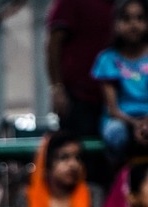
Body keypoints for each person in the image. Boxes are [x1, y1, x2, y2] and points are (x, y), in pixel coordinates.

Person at [91, 0, 148, 163]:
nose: (133, 25)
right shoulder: (107, 59)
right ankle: (120, 183)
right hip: (119, 118)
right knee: (115, 135)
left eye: (140, 18)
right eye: (126, 19)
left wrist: (146, 122)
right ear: (116, 23)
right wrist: (135, 125)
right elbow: (112, 109)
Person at [46, 0, 117, 138]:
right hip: (77, 98)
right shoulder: (69, 3)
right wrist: (57, 87)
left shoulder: (115, 5)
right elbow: (54, 42)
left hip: (113, 98)